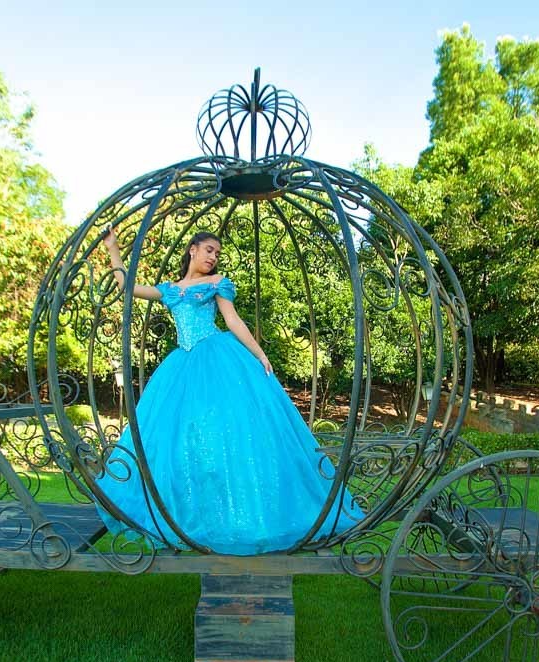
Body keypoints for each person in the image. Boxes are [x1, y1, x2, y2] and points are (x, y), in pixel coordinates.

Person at [93, 227, 361, 555]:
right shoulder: (170, 289)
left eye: (217, 253)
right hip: (182, 366)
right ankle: (190, 511)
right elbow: (127, 286)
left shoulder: (217, 283)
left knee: (230, 435)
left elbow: (233, 321)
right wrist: (113, 248)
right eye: (209, 250)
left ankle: (246, 515)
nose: (213, 257)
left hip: (215, 359)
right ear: (192, 249)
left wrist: (259, 354)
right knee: (179, 438)